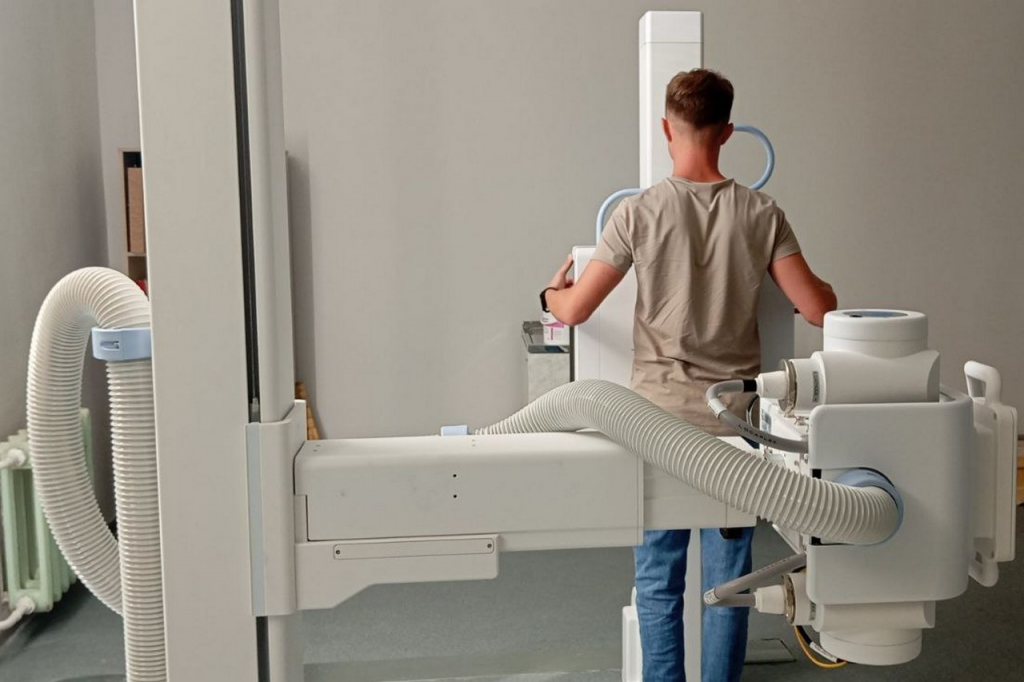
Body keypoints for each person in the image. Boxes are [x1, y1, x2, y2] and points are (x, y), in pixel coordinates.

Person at [539, 68, 837, 681]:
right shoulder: (762, 213)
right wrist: (821, 286)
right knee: (729, 585)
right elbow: (818, 308)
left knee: (658, 580)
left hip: (656, 428)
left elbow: (574, 311)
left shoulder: (637, 213)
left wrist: (550, 291)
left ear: (665, 128)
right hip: (734, 431)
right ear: (727, 131)